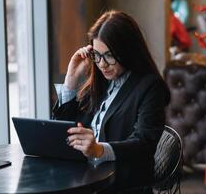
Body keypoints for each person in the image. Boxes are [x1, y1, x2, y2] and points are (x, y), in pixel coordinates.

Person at [52, 10, 170, 193]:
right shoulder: (100, 83)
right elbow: (64, 131)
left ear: (128, 51)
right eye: (97, 55)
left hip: (121, 185)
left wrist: (99, 150)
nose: (102, 64)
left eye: (109, 55)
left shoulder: (150, 87)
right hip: (87, 179)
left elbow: (144, 144)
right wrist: (71, 81)